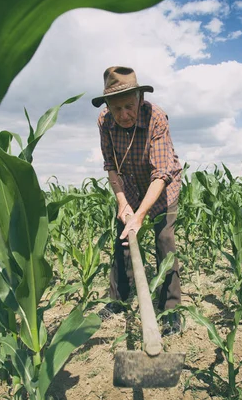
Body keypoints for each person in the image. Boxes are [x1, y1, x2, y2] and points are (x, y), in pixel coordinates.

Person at [92, 66, 183, 336]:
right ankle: (118, 301)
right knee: (122, 238)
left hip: (161, 186)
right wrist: (122, 203)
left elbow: (161, 173)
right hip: (128, 186)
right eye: (116, 109)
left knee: (164, 239)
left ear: (140, 100)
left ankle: (171, 311)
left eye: (129, 107)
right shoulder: (104, 121)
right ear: (108, 105)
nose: (124, 115)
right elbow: (111, 165)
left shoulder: (156, 117)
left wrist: (141, 215)